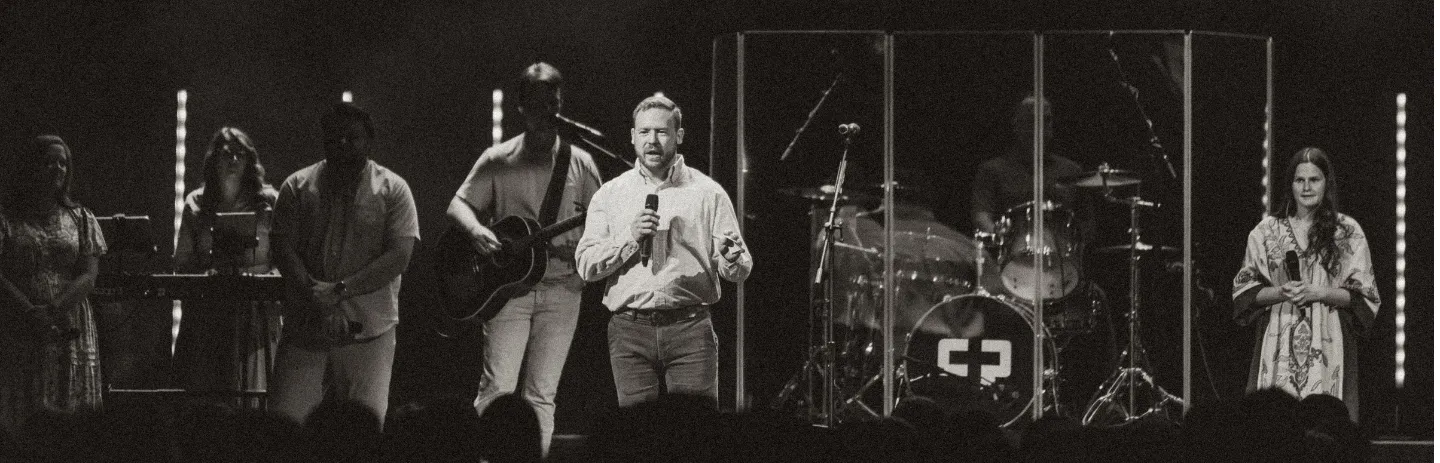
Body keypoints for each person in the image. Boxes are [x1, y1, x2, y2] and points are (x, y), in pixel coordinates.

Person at [446, 62, 601, 454]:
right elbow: (458, 205)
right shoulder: (499, 158)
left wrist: (584, 254)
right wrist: (476, 230)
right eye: (538, 102)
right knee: (497, 388)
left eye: (554, 102)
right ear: (521, 106)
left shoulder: (580, 162)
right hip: (508, 291)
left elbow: (604, 222)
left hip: (563, 290)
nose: (547, 110)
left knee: (542, 395)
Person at [576, 95, 751, 408]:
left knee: (693, 431)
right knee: (637, 433)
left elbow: (739, 270)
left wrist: (730, 256)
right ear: (633, 136)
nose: (652, 141)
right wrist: (630, 238)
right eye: (644, 132)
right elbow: (586, 266)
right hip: (629, 332)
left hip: (690, 330)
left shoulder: (708, 193)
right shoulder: (610, 194)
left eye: (661, 132)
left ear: (679, 136)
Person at [268, 102, 419, 425]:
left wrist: (339, 290)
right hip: (305, 327)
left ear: (369, 142)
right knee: (285, 424)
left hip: (369, 330)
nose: (343, 145)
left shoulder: (393, 189)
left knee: (364, 430)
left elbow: (399, 257)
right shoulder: (296, 186)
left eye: (352, 138)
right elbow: (282, 247)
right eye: (335, 138)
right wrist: (316, 295)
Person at [1231, 146, 1379, 421]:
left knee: (1325, 423)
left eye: (1314, 180)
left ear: (1326, 183)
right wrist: (1280, 292)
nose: (1307, 187)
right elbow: (1244, 293)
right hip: (1277, 338)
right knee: (1275, 424)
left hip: (1329, 339)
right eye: (1300, 180)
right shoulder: (1266, 232)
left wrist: (1320, 292)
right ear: (1291, 185)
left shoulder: (1347, 232)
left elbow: (1365, 297)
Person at [0, 135, 106, 436]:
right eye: (49, 162)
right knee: (25, 410)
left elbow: (89, 275)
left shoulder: (81, 217)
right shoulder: (7, 218)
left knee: (70, 415)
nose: (58, 168)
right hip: (20, 326)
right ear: (31, 167)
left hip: (69, 326)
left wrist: (54, 309)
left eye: (63, 162)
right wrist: (29, 311)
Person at [172, 126, 280, 407]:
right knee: (208, 396)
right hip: (210, 312)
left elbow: (285, 258)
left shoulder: (268, 201)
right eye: (227, 154)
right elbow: (182, 262)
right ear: (214, 159)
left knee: (253, 394)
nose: (233, 160)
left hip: (255, 311)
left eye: (240, 154)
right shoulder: (196, 202)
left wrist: (264, 282)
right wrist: (205, 276)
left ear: (249, 160)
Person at [970, 93, 1093, 241]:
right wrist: (1001, 237)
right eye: (1032, 120)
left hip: (1061, 251)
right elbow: (981, 216)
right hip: (1012, 249)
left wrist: (1073, 241)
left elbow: (1086, 222)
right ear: (1016, 125)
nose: (1041, 127)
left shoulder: (1071, 170)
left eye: (1047, 120)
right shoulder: (992, 170)